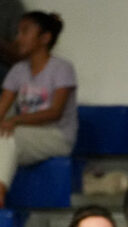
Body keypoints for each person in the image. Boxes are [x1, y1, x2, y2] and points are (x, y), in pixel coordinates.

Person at [0, 10, 74, 208]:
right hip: (25, 135)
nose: (18, 38)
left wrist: (15, 121)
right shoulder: (17, 70)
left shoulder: (61, 69)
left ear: (44, 38)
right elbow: (2, 108)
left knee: (8, 137)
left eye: (25, 32)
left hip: (56, 136)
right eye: (18, 32)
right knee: (6, 135)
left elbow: (55, 112)